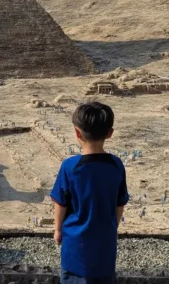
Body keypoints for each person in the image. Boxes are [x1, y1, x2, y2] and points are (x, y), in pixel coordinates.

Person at [50, 102, 128, 284]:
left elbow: (60, 202)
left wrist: (57, 230)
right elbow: (120, 202)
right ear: (110, 133)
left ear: (77, 133)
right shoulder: (116, 165)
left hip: (75, 247)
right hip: (105, 247)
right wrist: (112, 226)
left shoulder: (70, 167)